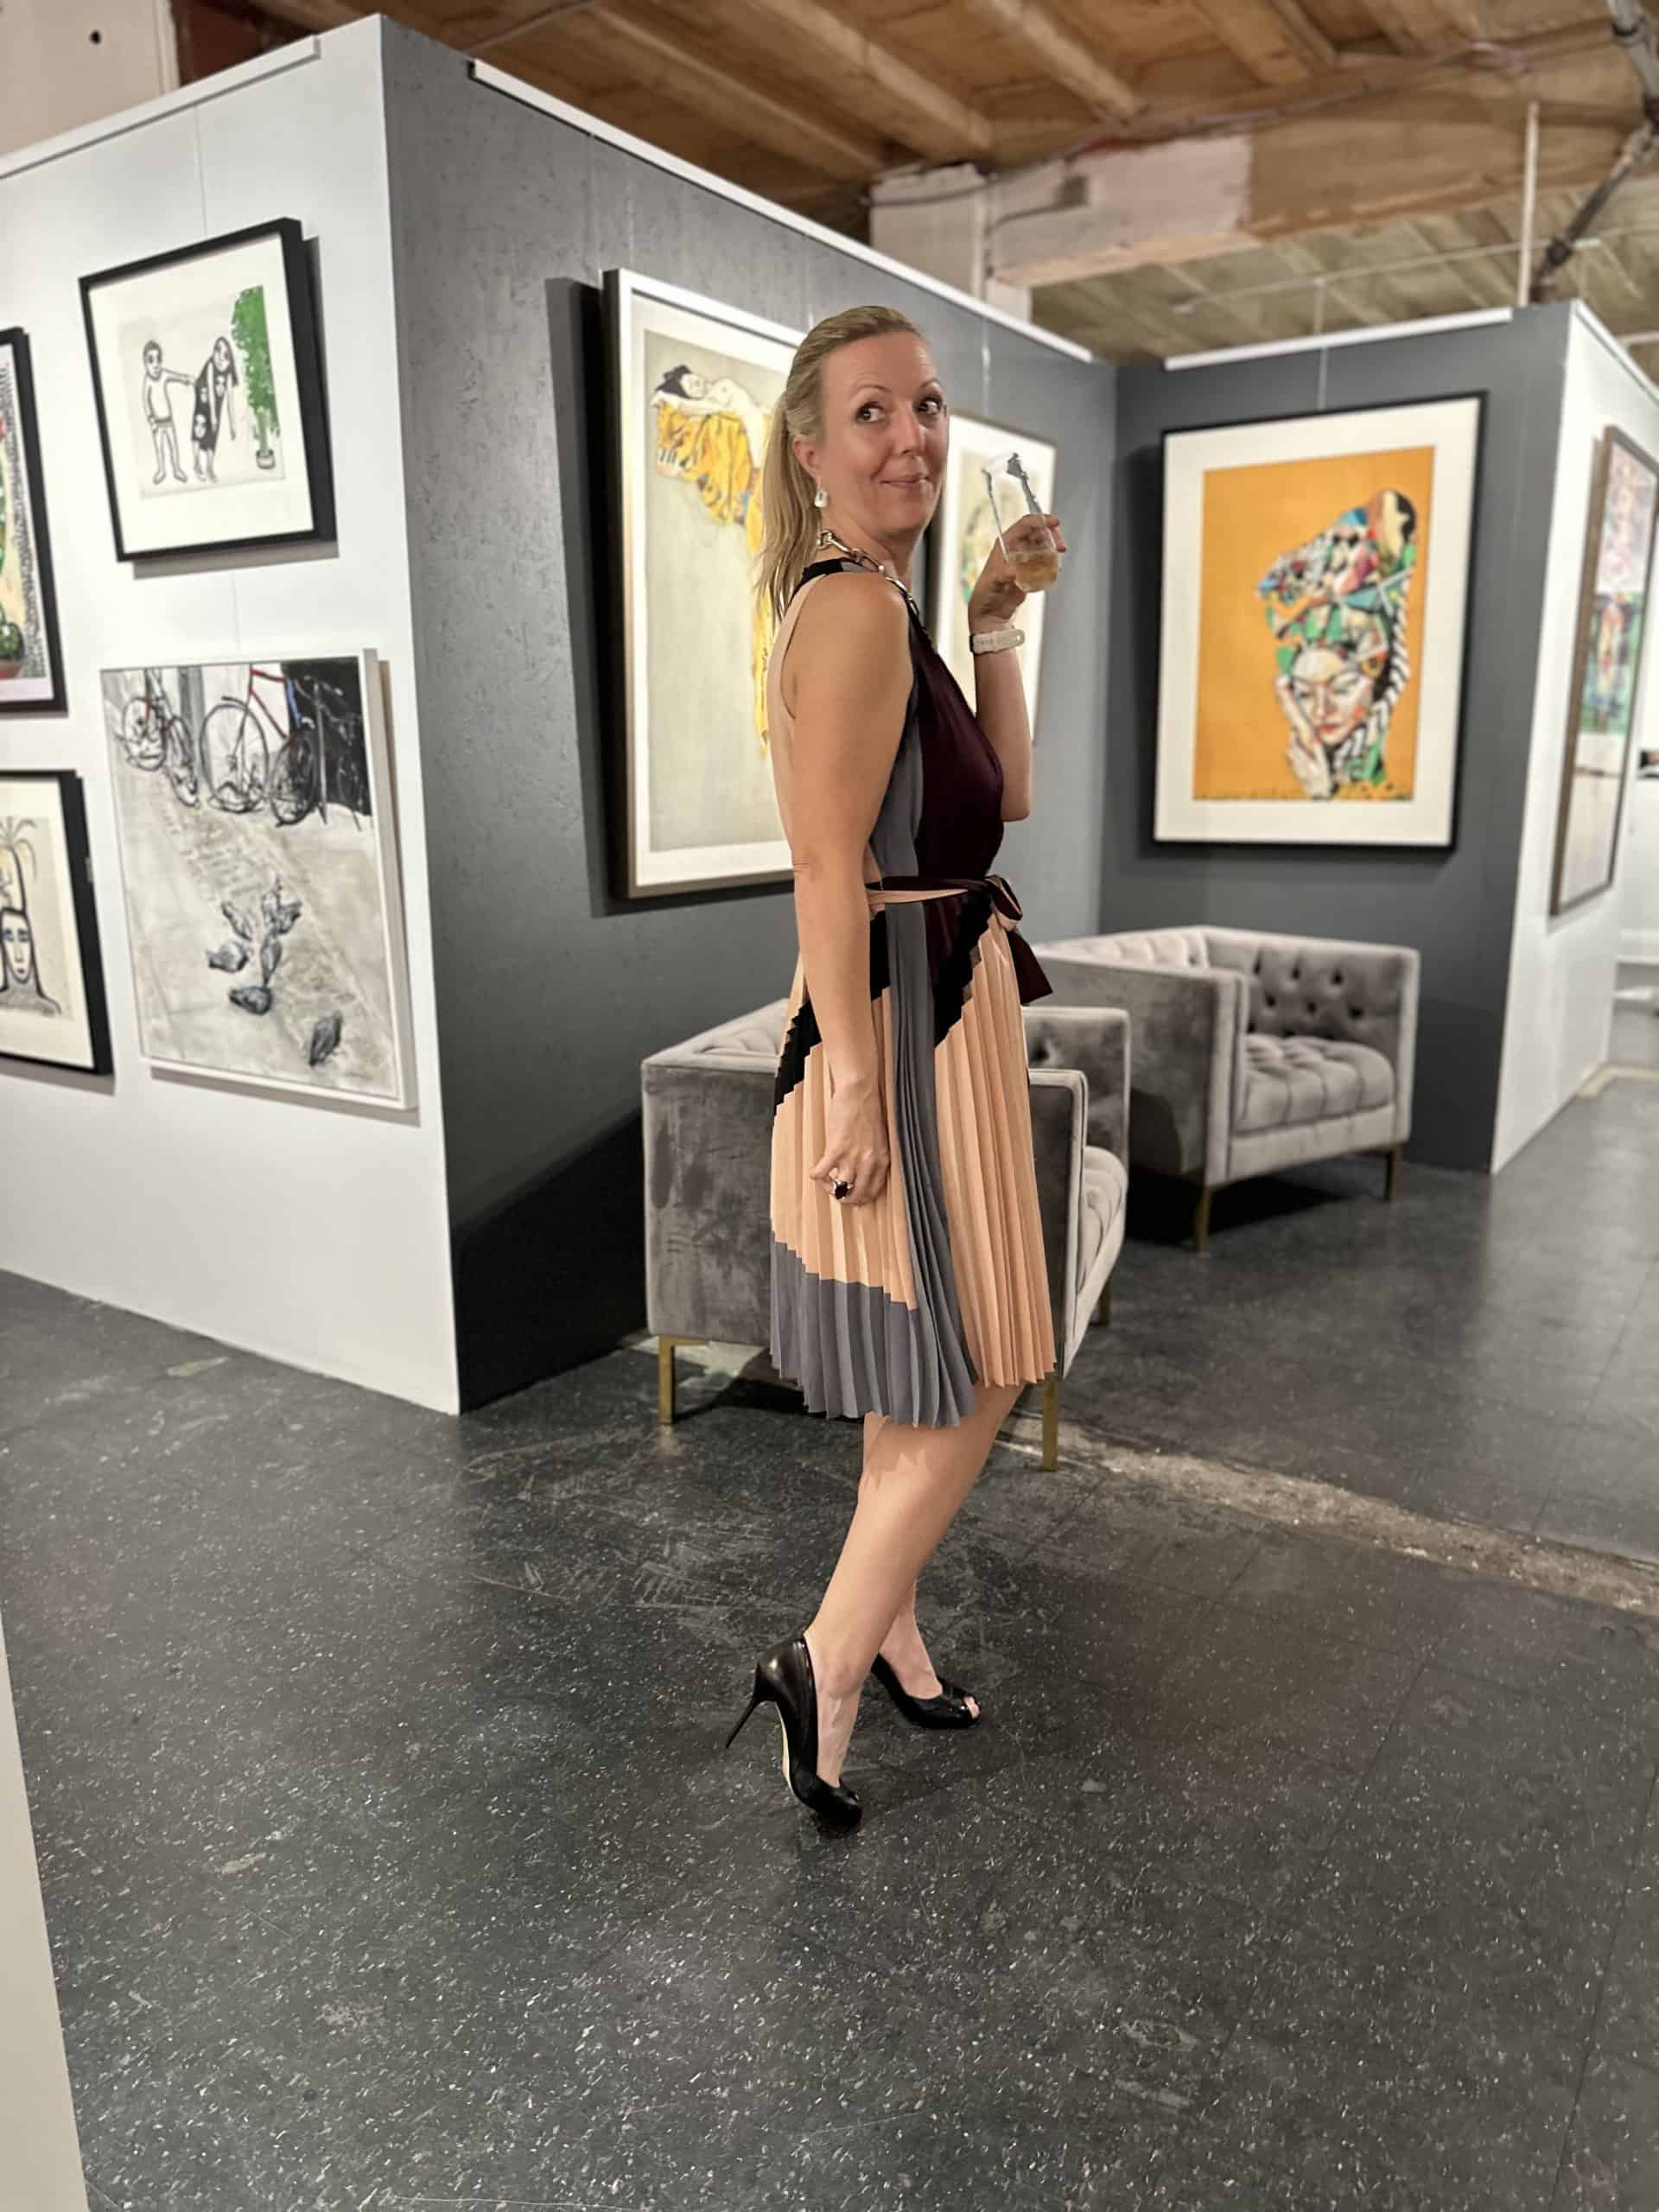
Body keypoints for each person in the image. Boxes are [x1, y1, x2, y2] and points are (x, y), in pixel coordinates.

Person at [723, 304, 1065, 1829]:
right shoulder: (853, 611)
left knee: (921, 1366)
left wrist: (992, 617)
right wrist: (856, 1084)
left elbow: (1009, 794)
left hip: (938, 991)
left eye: (925, 405)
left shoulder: (883, 604)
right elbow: (821, 868)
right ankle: (830, 1660)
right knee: (982, 1361)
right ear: (810, 451)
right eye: (871, 412)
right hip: (906, 1015)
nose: (912, 436)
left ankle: (895, 1636)